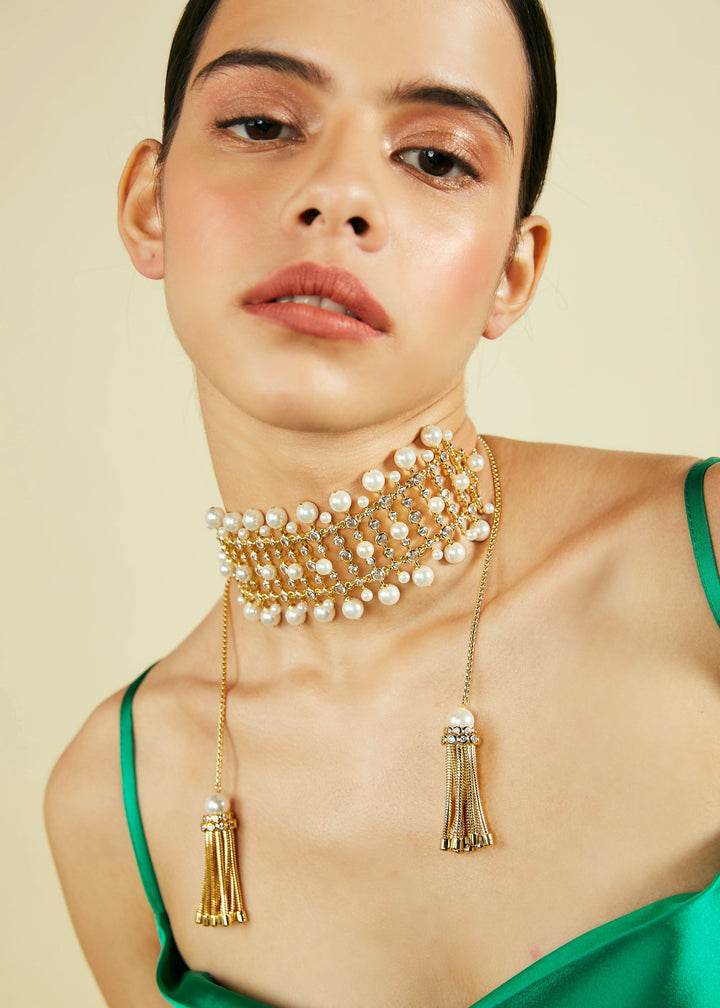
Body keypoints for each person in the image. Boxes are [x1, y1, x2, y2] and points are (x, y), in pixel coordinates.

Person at [45, 0, 720, 1005]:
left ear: (513, 272)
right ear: (150, 204)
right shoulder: (114, 803)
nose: (338, 195)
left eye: (436, 158)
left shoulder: (703, 576)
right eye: (263, 124)